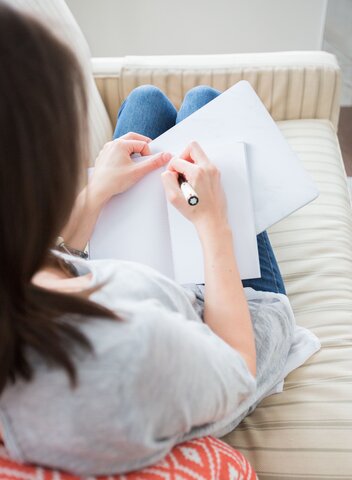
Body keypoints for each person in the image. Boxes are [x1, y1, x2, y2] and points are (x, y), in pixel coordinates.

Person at [0, 4, 319, 477]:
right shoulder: (132, 350)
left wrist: (96, 195)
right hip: (232, 322)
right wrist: (213, 224)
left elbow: (45, 262)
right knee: (204, 105)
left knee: (147, 102)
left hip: (137, 287)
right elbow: (235, 369)